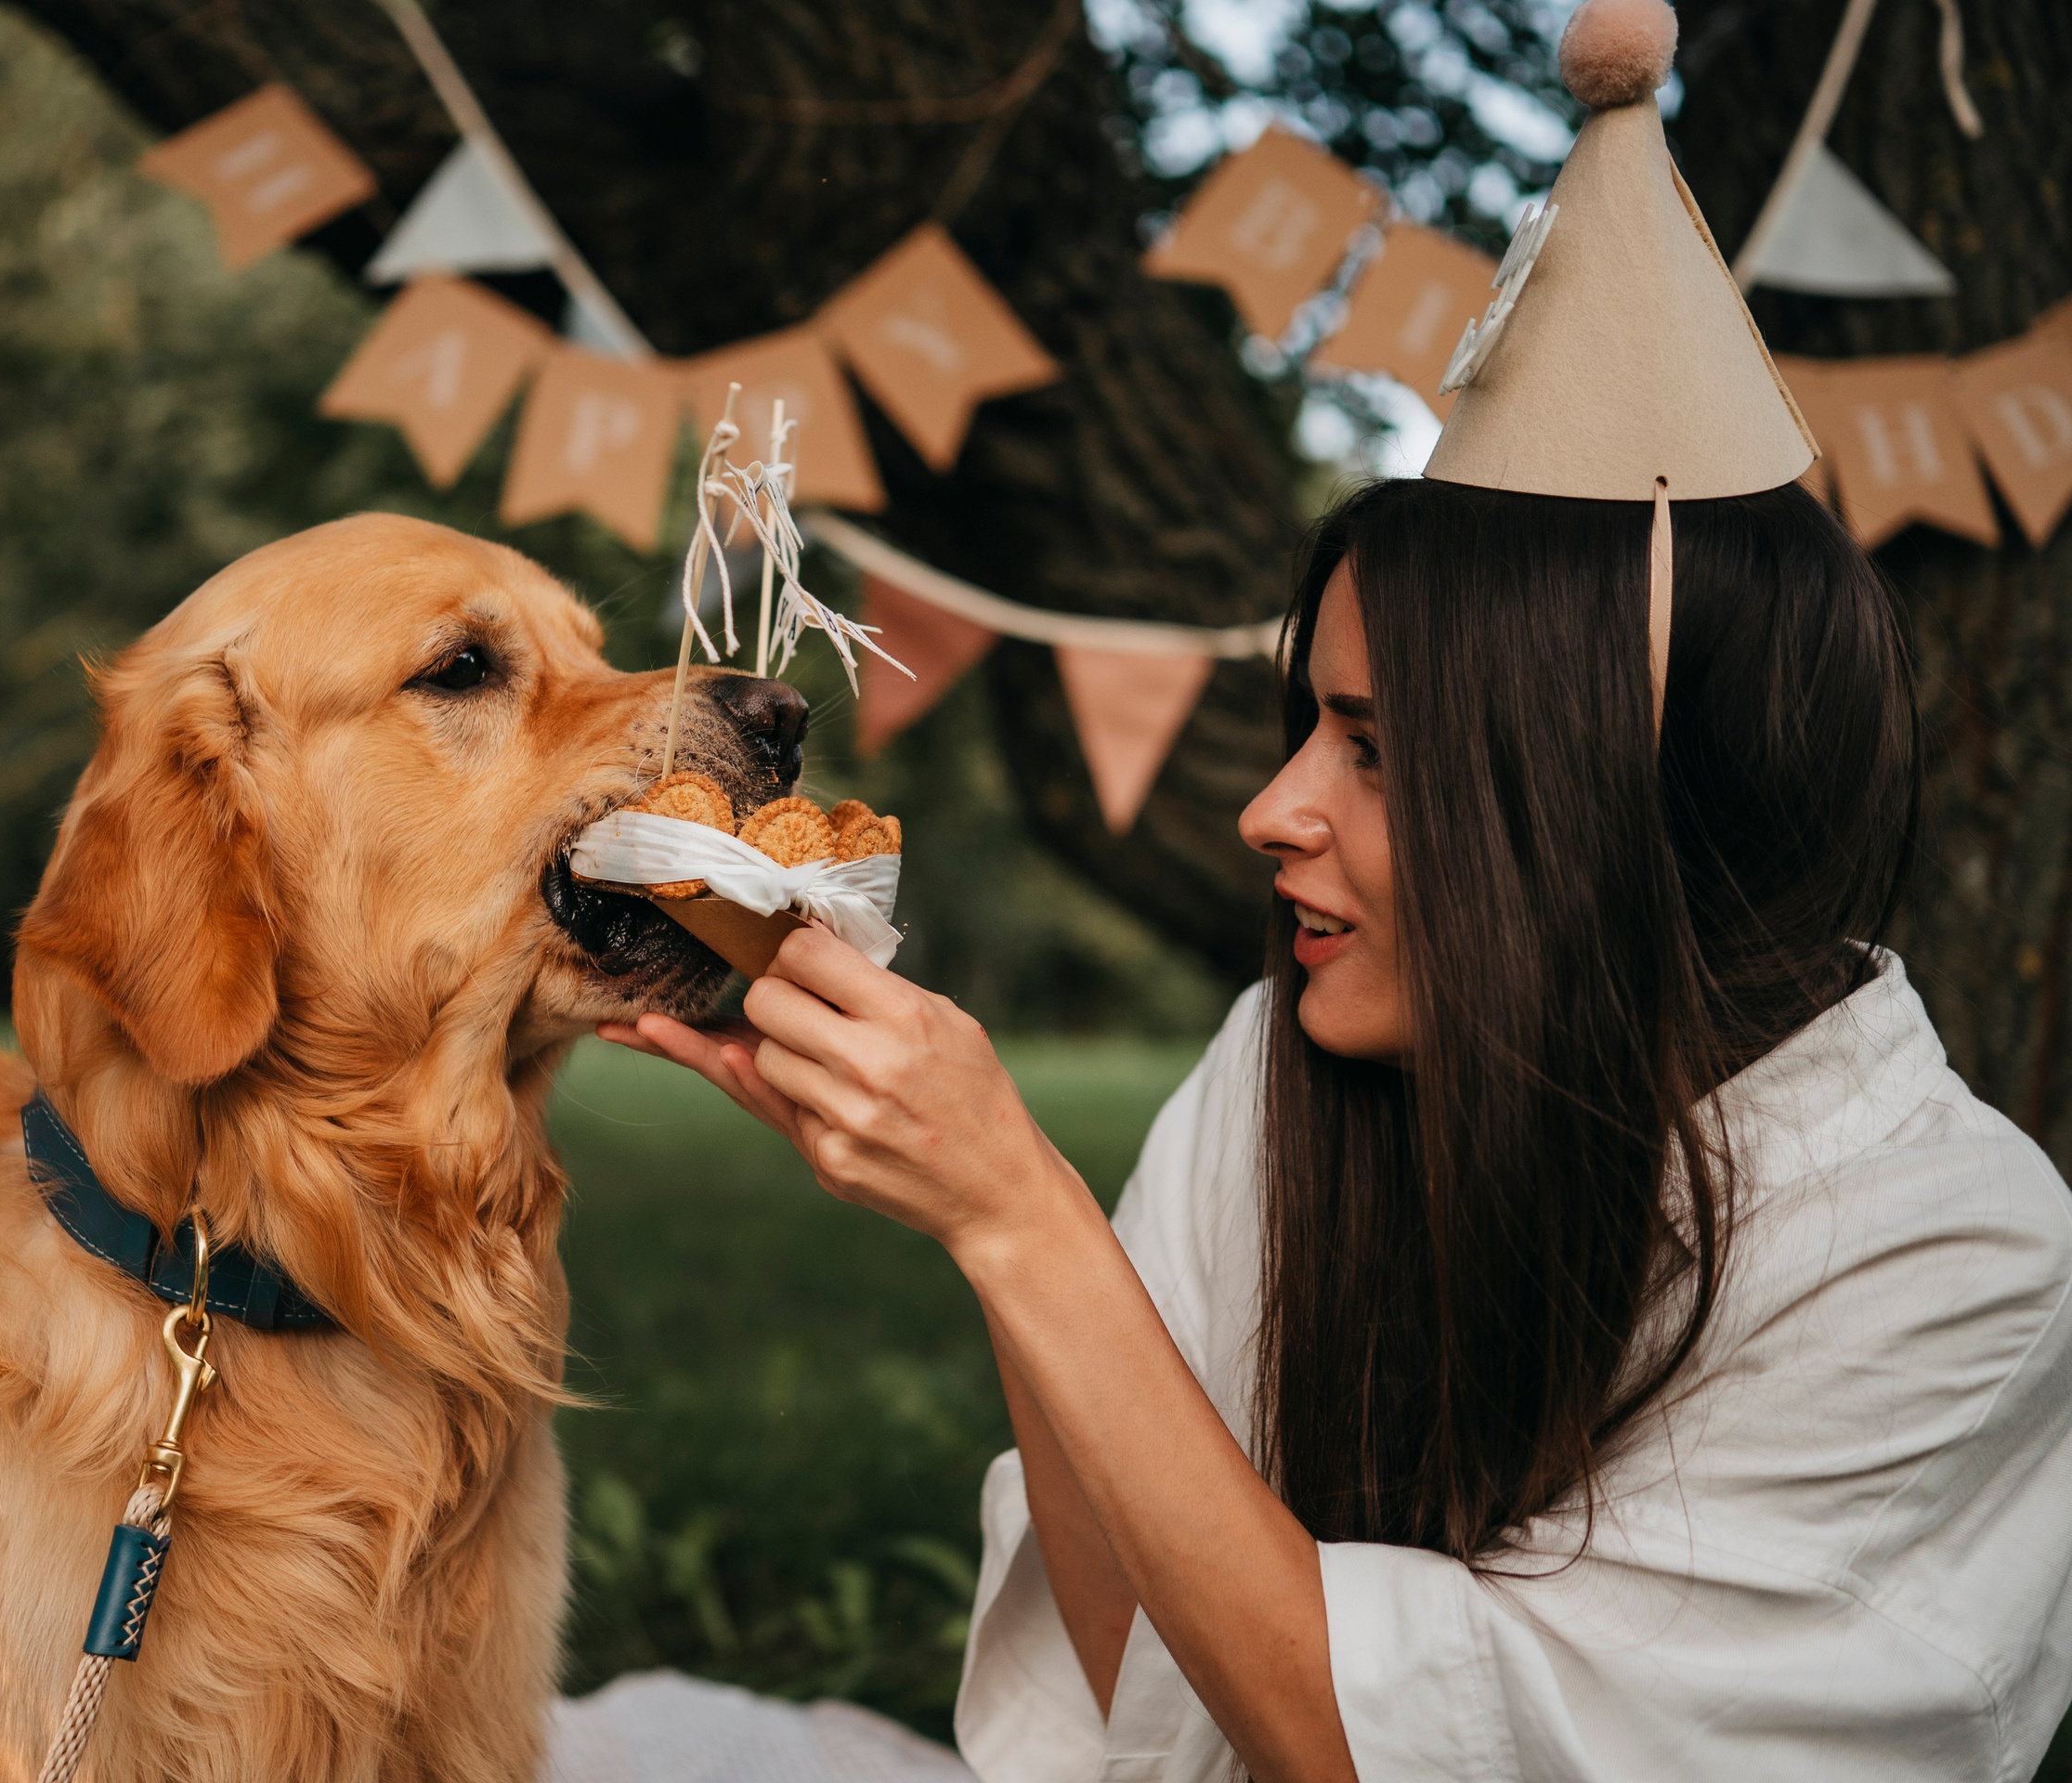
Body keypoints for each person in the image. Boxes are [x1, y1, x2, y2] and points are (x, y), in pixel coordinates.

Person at [601, 2, 2072, 1776]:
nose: (1270, 810)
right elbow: (1137, 1682)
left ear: (1612, 801)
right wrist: (995, 1231)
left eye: (1375, 748)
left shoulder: (1948, 1260)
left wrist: (1019, 1215)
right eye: (1310, 722)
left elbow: (1429, 1754)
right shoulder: (1281, 1068)